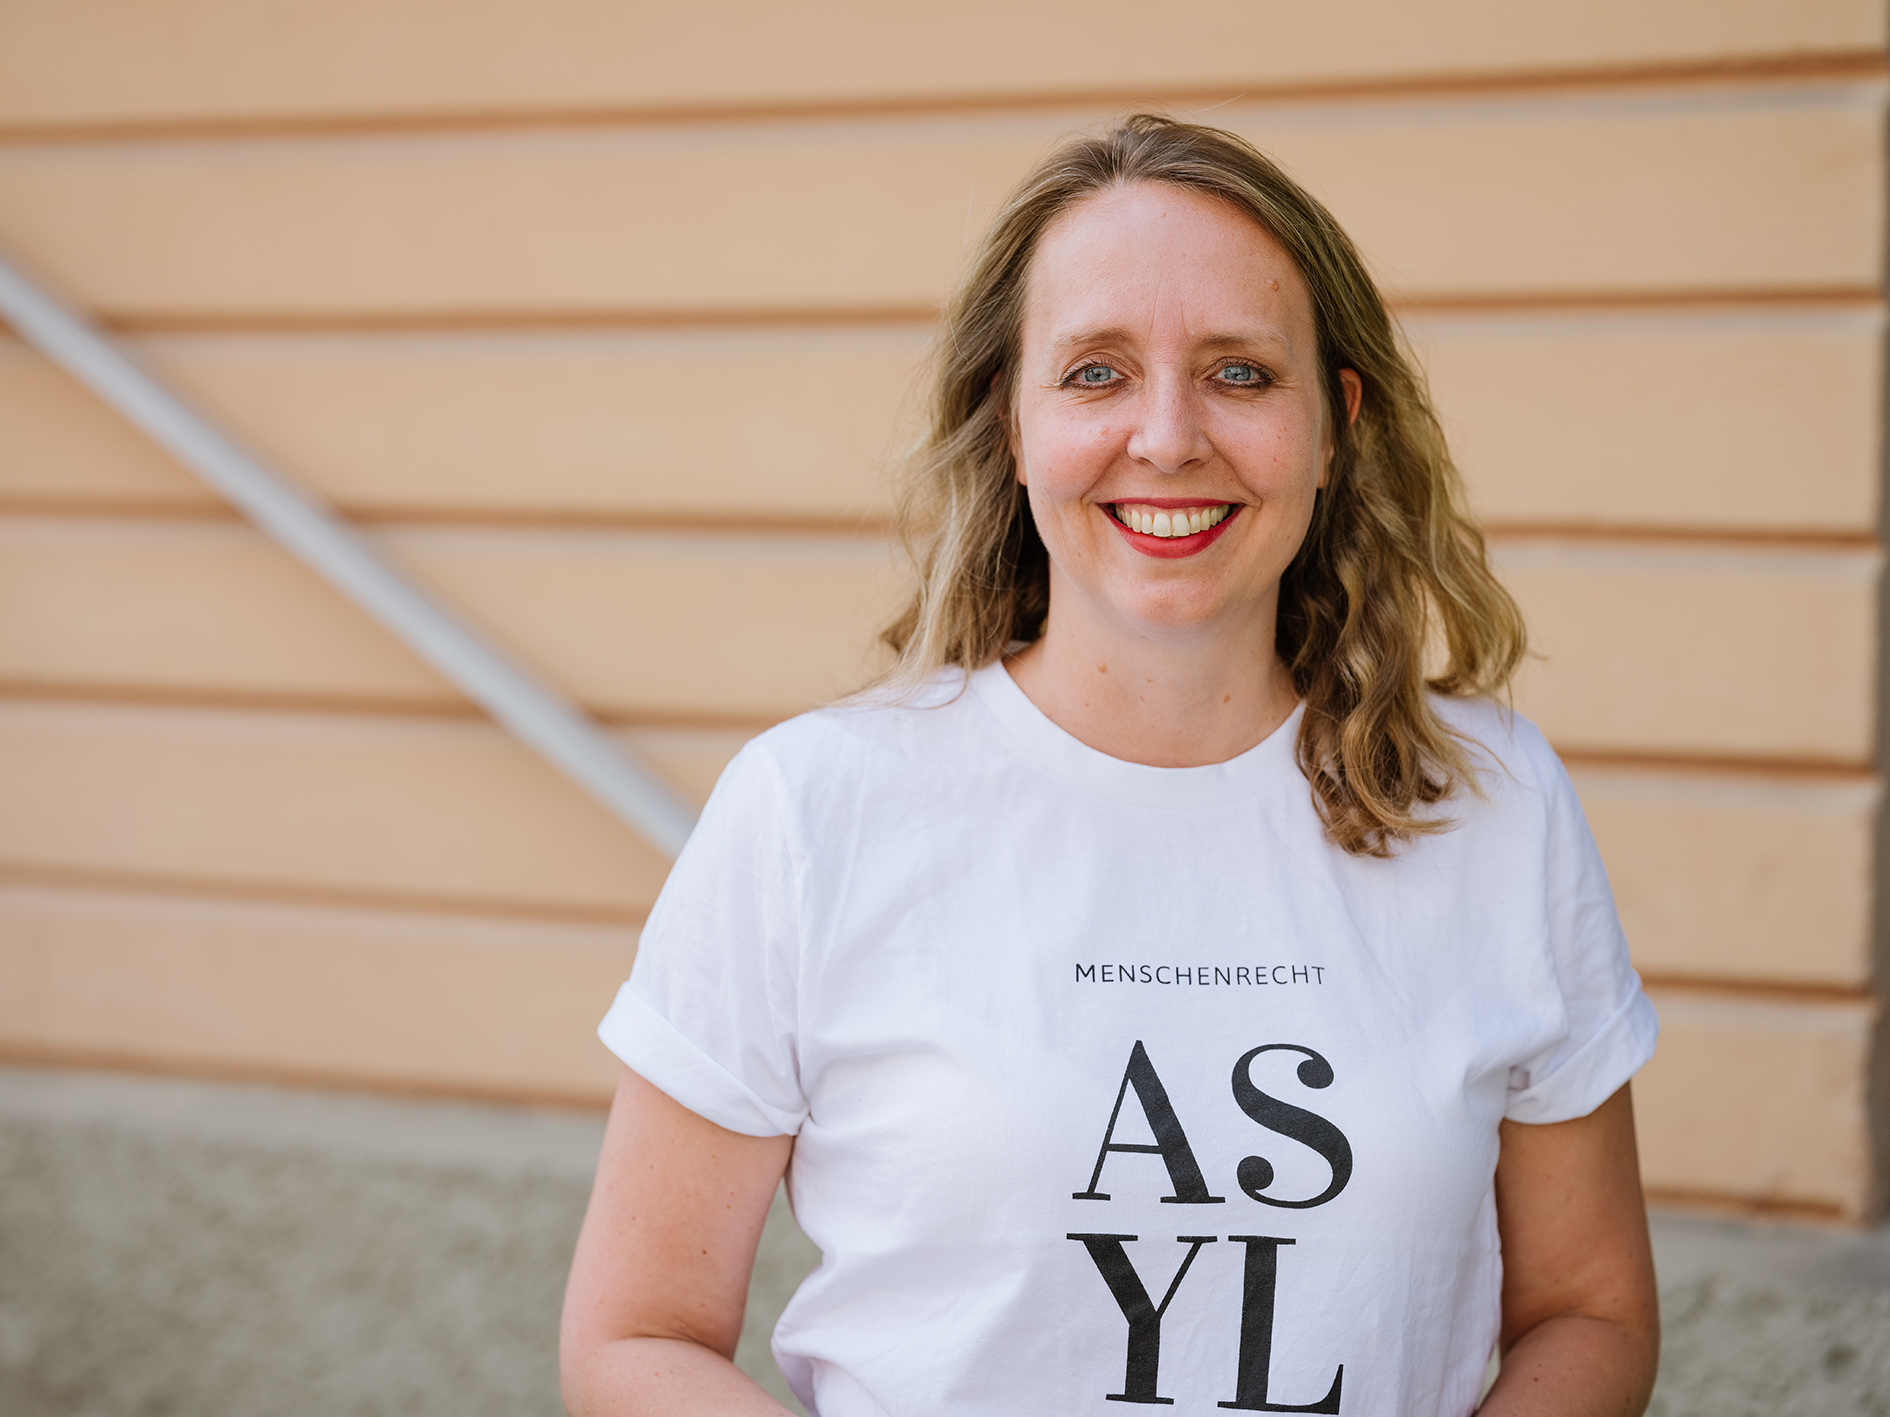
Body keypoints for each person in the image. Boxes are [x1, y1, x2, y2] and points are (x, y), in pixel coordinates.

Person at [561, 114, 1661, 1417]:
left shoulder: (1491, 801)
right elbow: (632, 1339)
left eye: (1239, 373)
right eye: (1094, 373)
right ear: (1009, 421)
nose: (1166, 436)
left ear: (1332, 422)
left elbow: (1588, 1311)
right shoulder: (813, 808)